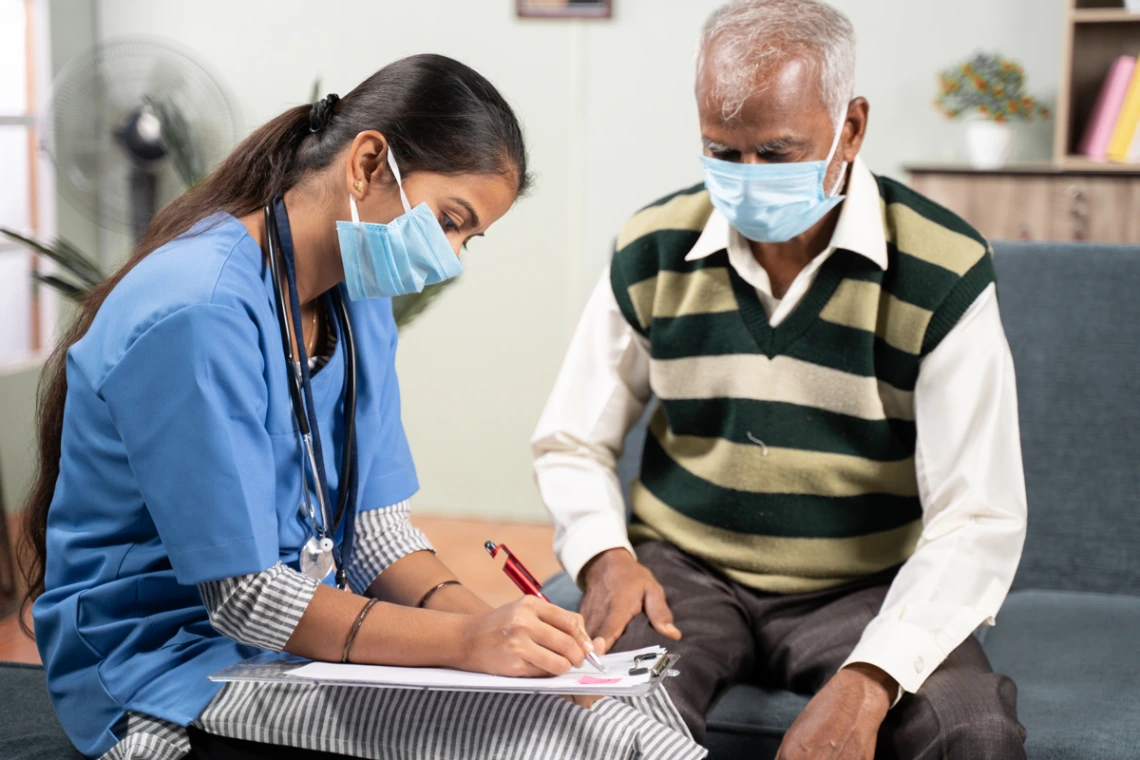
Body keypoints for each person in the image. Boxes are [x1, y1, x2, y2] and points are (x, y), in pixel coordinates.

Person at [25, 54, 704, 760]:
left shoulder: (358, 303)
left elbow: (377, 537)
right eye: (449, 220)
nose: (452, 257)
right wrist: (466, 643)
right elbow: (247, 599)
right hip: (168, 673)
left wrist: (515, 637)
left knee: (627, 732)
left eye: (469, 238)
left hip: (295, 645)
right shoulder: (198, 312)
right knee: (567, 745)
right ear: (368, 162)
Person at [531, 2, 1029, 758]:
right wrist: (606, 555)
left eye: (776, 150)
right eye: (721, 151)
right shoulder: (652, 248)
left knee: (972, 730)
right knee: (599, 718)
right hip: (682, 575)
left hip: (861, 585)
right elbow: (571, 438)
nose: (746, 178)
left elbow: (978, 514)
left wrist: (871, 677)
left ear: (851, 127)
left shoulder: (942, 268)